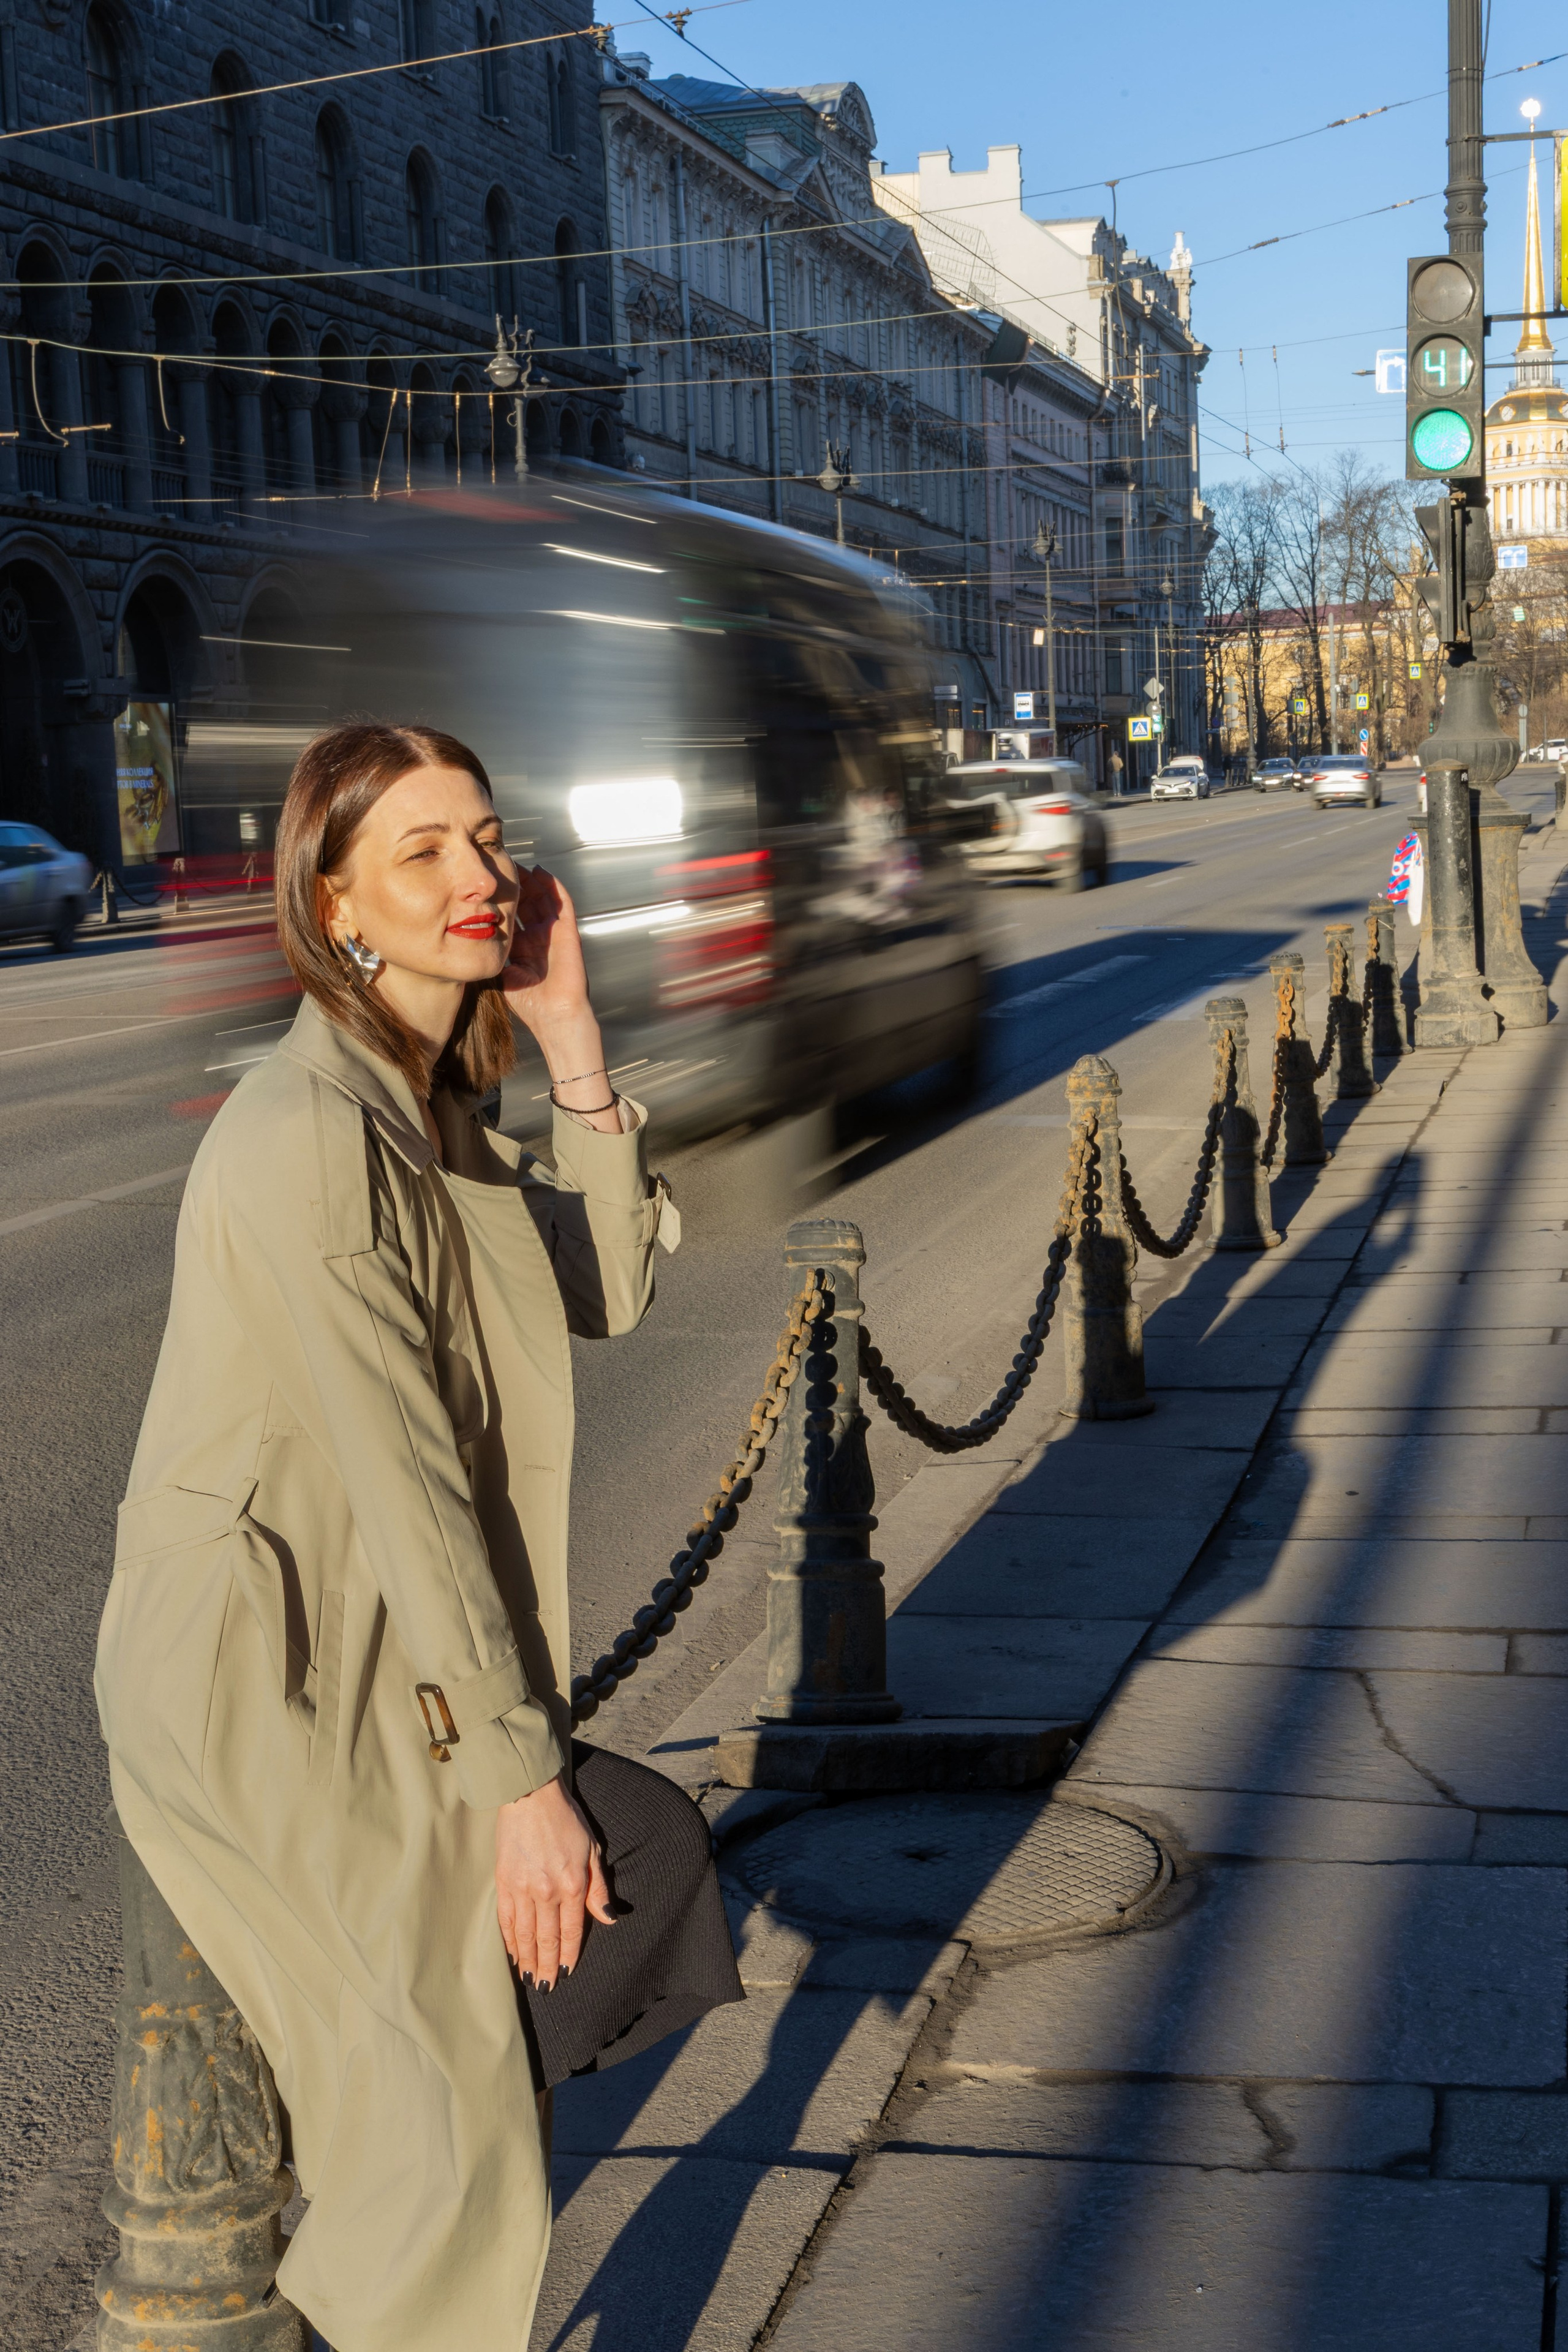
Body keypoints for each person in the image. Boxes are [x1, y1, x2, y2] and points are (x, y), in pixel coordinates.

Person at [94, 723, 739, 2352]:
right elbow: (406, 1480)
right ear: (338, 905)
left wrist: (573, 1033)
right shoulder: (319, 1129)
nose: (480, 878)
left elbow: (601, 1288)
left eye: (487, 840)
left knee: (568, 1946)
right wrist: (521, 1783)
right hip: (273, 1679)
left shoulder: (421, 1106)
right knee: (440, 2109)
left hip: (376, 1642)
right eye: (424, 854)